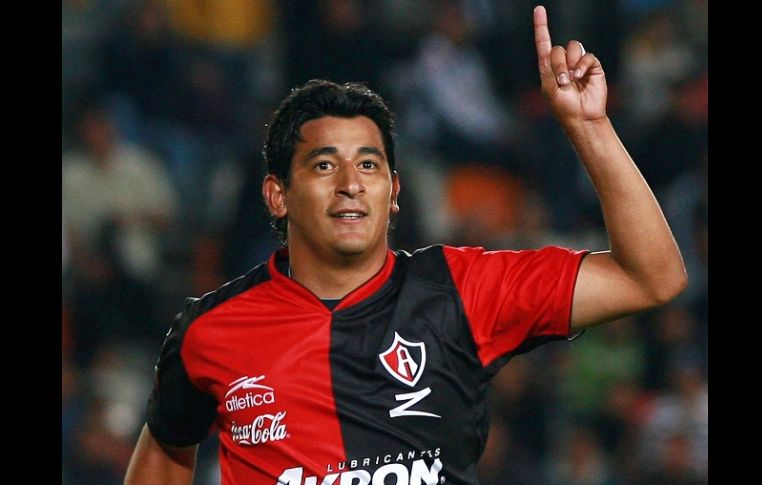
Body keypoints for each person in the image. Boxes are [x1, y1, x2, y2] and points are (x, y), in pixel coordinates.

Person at [124, 6, 687, 484]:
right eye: (325, 165)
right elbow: (169, 444)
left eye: (368, 164)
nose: (351, 183)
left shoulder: (463, 290)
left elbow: (653, 277)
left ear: (393, 192)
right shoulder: (209, 329)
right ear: (278, 196)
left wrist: (589, 128)